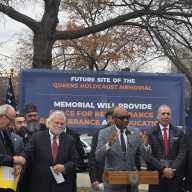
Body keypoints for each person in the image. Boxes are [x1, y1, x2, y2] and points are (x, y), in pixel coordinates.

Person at [21, 110, 79, 192]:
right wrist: (20, 160)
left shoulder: (69, 140)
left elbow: (75, 160)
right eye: (56, 122)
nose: (59, 125)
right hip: (40, 186)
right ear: (49, 123)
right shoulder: (37, 137)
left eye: (62, 124)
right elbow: (27, 152)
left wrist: (65, 167)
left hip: (62, 187)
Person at [96, 106, 141, 192]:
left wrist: (146, 146)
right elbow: (98, 156)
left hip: (131, 184)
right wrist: (108, 145)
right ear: (114, 119)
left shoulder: (135, 132)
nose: (125, 120)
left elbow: (142, 155)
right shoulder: (104, 133)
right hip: (112, 184)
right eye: (122, 118)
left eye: (127, 117)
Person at [143, 104, 186, 192]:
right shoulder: (150, 133)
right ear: (158, 116)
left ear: (171, 116)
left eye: (168, 114)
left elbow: (182, 153)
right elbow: (148, 156)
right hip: (156, 177)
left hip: (174, 176)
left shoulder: (179, 132)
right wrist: (163, 169)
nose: (166, 116)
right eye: (163, 114)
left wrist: (171, 170)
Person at [0, 104, 25, 192]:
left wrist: (17, 165)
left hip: (6, 183)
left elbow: (11, 152)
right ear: (2, 116)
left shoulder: (5, 131)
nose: (11, 124)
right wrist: (13, 160)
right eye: (10, 120)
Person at [89, 108, 114, 192]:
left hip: (121, 181)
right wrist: (94, 179)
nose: (114, 120)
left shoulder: (127, 133)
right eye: (112, 117)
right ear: (107, 119)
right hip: (100, 181)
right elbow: (92, 158)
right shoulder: (99, 133)